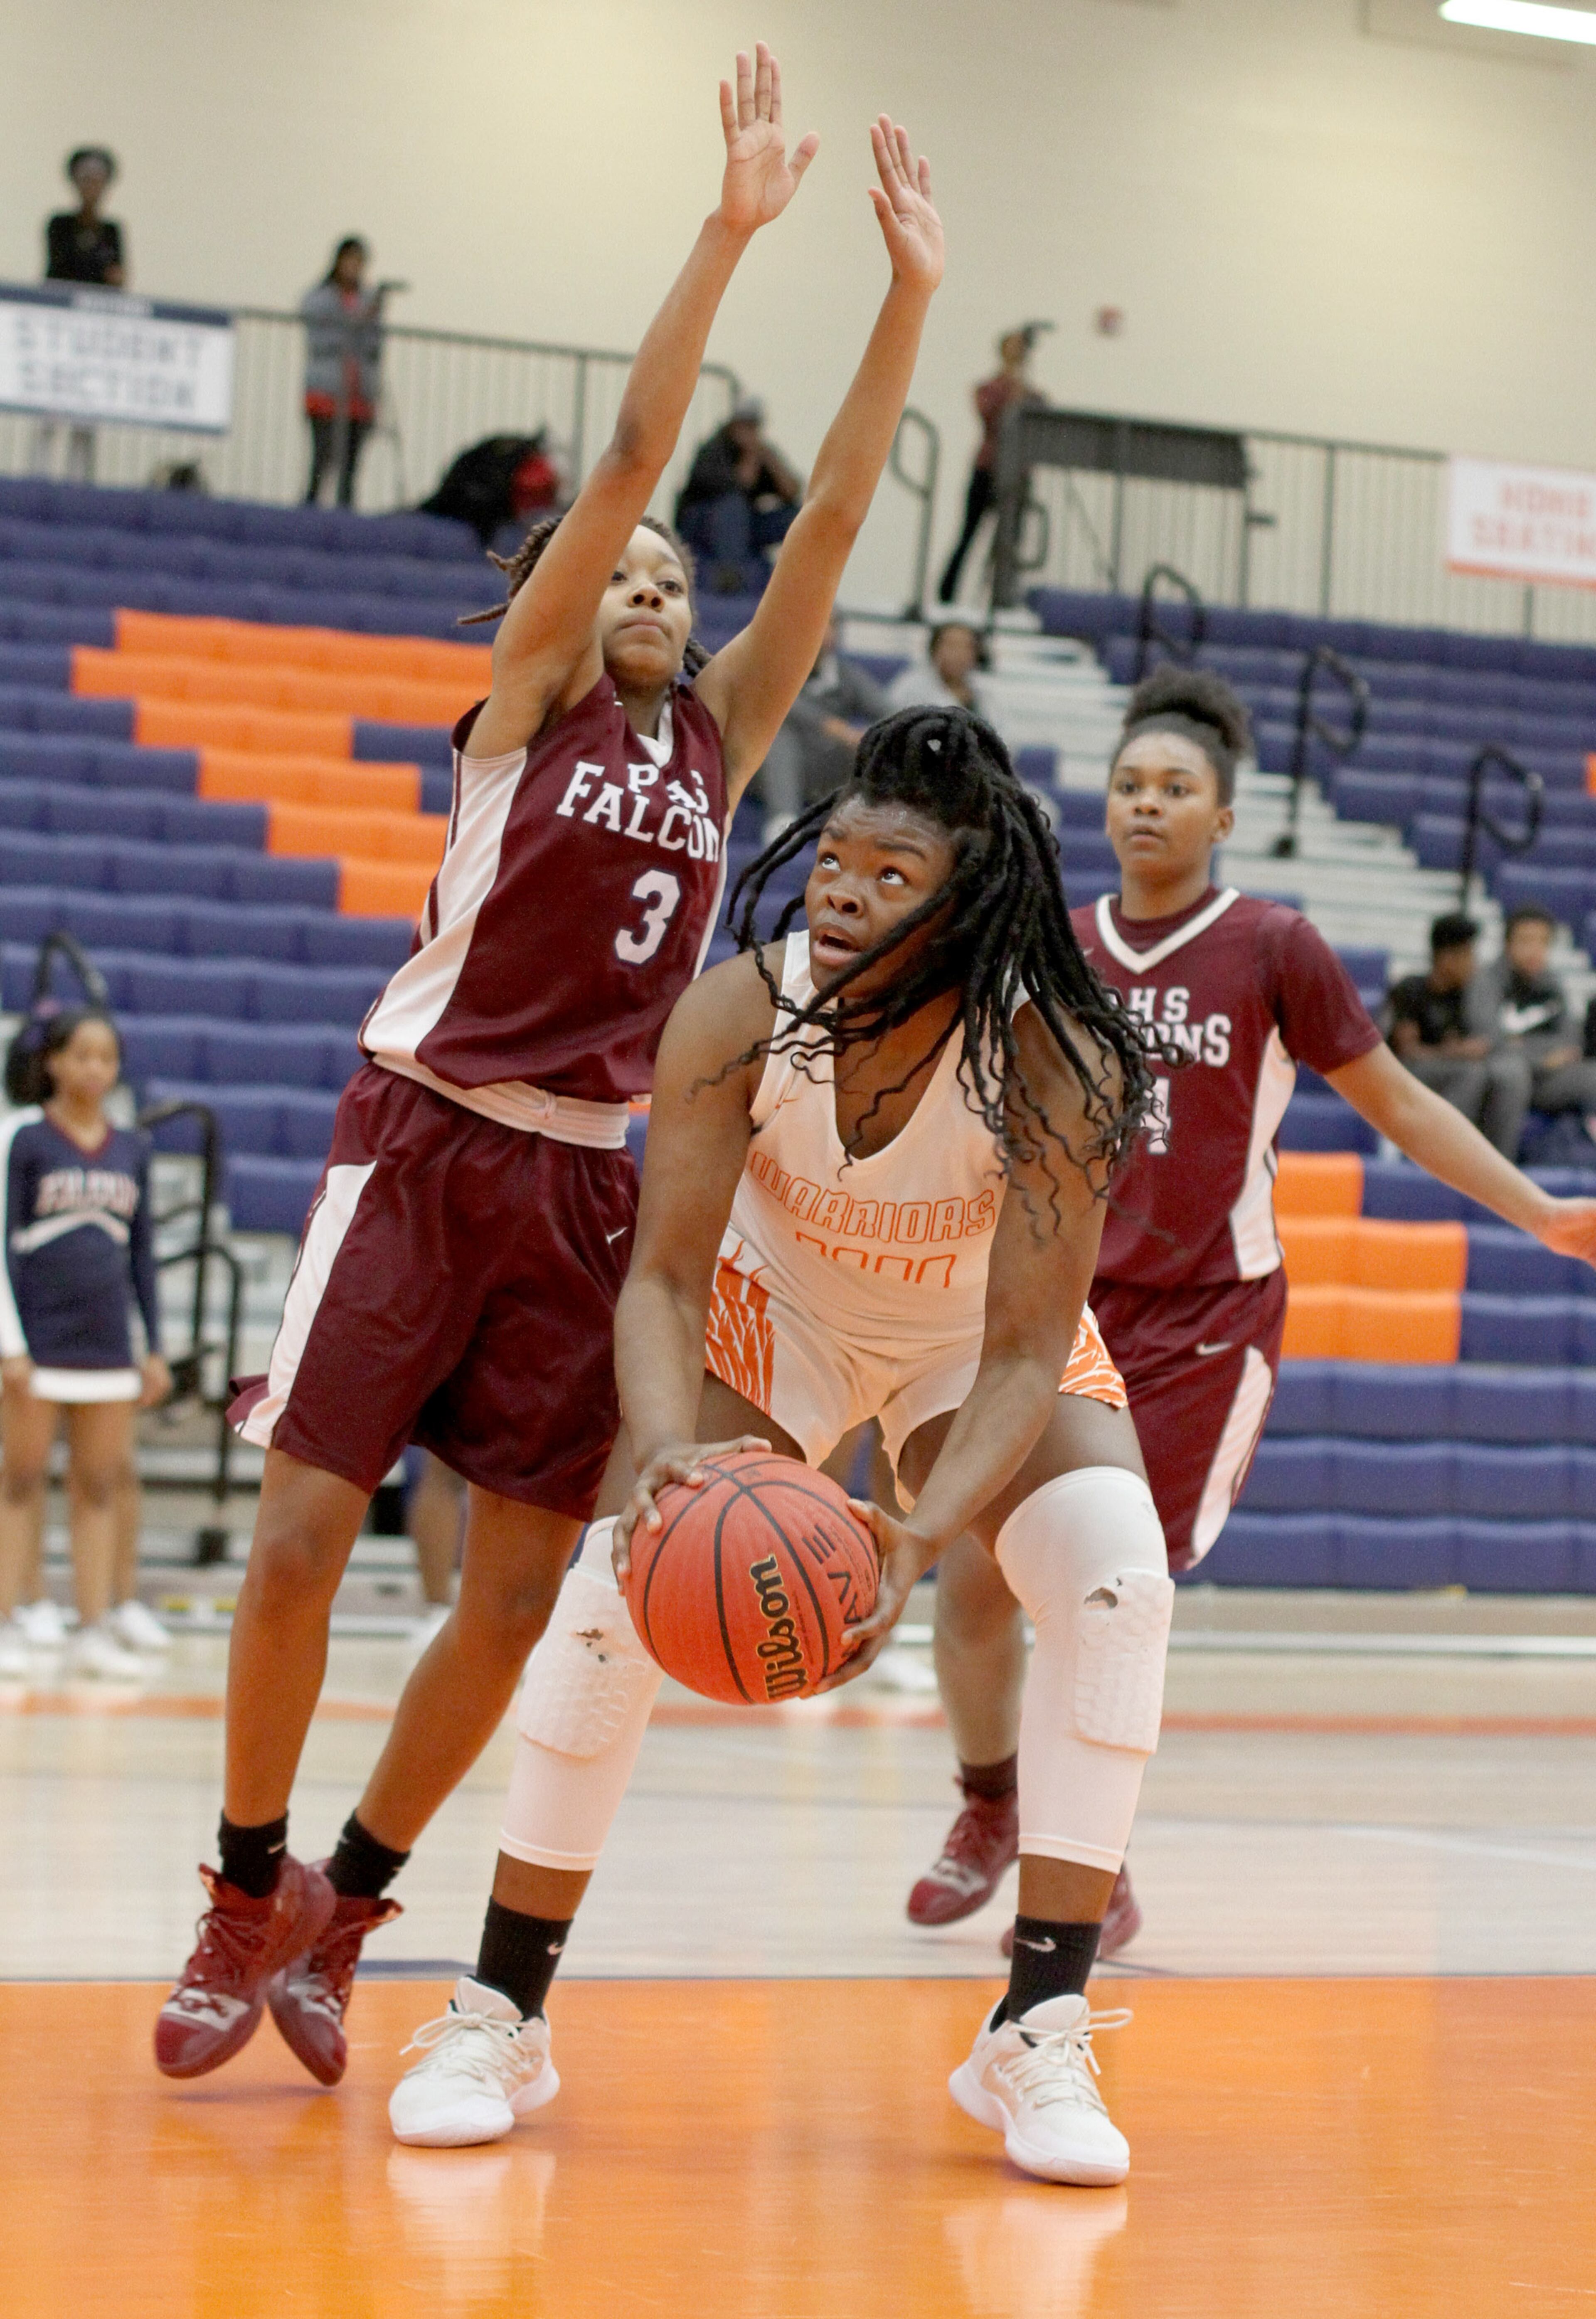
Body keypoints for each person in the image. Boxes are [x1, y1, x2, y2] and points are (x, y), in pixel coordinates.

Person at [154, 51, 943, 2093]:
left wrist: (907, 301)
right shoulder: (520, 708)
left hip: (593, 1188)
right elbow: (630, 448)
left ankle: (352, 1891)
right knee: (304, 1538)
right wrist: (730, 230)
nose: (662, 587)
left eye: (685, 572)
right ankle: (242, 1884)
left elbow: (838, 511)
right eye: (632, 570)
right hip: (419, 1141)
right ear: (570, 599)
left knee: (512, 1590)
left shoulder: (725, 731)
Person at [387, 702, 1165, 2187]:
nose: (849, 892)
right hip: (774, 1312)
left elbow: (1017, 1350)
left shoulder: (1054, 1051)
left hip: (966, 1341)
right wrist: (672, 1454)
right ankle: (503, 2003)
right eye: (840, 862)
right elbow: (666, 1280)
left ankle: (1039, 2021)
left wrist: (921, 1535)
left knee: (1120, 1581)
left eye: (894, 873)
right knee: (616, 1589)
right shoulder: (739, 1008)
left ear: (972, 899)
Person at [912, 667, 1596, 1955]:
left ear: (1221, 814)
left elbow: (1396, 1102)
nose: (1146, 804)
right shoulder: (1049, 939)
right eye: (1128, 784)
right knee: (969, 1586)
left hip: (1204, 1324)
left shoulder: (1273, 945)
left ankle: (1087, 1864)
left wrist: (1539, 1211)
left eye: (1174, 787)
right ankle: (988, 1804)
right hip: (1057, 1306)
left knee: (1101, 1592)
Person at [0, 1010, 170, 1682]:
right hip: (39, 1343)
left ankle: (93, 1626)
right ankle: (11, 1616)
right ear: (55, 1063)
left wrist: (154, 1346)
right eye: (82, 1055)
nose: (95, 1069)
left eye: (107, 1057)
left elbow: (144, 1256)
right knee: (19, 1480)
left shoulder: (133, 1148)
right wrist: (11, 1343)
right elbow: (7, 1246)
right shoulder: (28, 1142)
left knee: (99, 1485)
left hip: (108, 1346)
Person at [1386, 913, 1526, 1159]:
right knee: (1472, 1074)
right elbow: (1407, 1051)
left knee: (1500, 1075)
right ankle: (1440, 1154)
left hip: (1449, 1070)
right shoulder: (1412, 989)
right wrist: (1456, 1052)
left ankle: (1492, 1159)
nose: (1474, 963)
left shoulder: (1465, 997)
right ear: (1446, 958)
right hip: (1408, 1073)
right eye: (1468, 955)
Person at [32, 145, 126, 484]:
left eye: (98, 181)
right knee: (49, 409)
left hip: (93, 336)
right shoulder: (60, 225)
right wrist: (99, 270)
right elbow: (62, 267)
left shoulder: (112, 231)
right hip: (60, 330)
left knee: (85, 415)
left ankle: (79, 482)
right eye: (86, 180)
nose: (92, 188)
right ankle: (38, 481)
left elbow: (118, 278)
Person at [1467, 904, 1596, 1146]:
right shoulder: (1486, 981)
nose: (1535, 950)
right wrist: (1542, 1059)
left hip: (1546, 1078)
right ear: (1508, 944)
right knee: (1512, 1073)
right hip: (1499, 1073)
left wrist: (1531, 1051)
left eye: (1543, 942)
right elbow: (1489, 1038)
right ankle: (1499, 1168)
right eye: (1526, 941)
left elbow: (1571, 1039)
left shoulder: (1551, 984)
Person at [937, 327, 1046, 605]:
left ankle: (1000, 601)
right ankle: (946, 595)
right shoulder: (988, 388)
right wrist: (1013, 385)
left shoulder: (1032, 394)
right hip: (988, 470)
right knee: (969, 534)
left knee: (1009, 543)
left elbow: (1040, 418)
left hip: (1017, 475)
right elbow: (992, 415)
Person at [757, 616, 890, 838]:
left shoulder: (847, 675)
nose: (820, 631)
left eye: (828, 624)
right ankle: (783, 821)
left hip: (824, 767)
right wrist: (830, 726)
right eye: (814, 622)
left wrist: (871, 737)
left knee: (879, 745)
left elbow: (890, 712)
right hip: (771, 768)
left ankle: (875, 827)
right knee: (780, 733)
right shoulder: (774, 667)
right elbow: (779, 702)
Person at [675, 397, 803, 591]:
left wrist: (769, 459)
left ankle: (799, 576)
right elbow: (741, 485)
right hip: (702, 526)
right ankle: (729, 576)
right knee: (733, 507)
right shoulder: (714, 451)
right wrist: (751, 454)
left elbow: (791, 491)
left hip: (742, 528)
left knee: (798, 514)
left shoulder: (761, 452)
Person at [301, 238, 391, 508]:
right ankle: (310, 507)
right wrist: (357, 322)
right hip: (327, 392)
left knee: (351, 465)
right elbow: (323, 336)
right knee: (322, 459)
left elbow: (374, 344)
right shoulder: (321, 298)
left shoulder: (367, 300)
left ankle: (346, 510)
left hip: (358, 394)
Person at [888, 619, 990, 717]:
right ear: (935, 649)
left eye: (967, 647)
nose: (960, 654)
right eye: (952, 646)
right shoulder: (910, 688)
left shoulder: (985, 690)